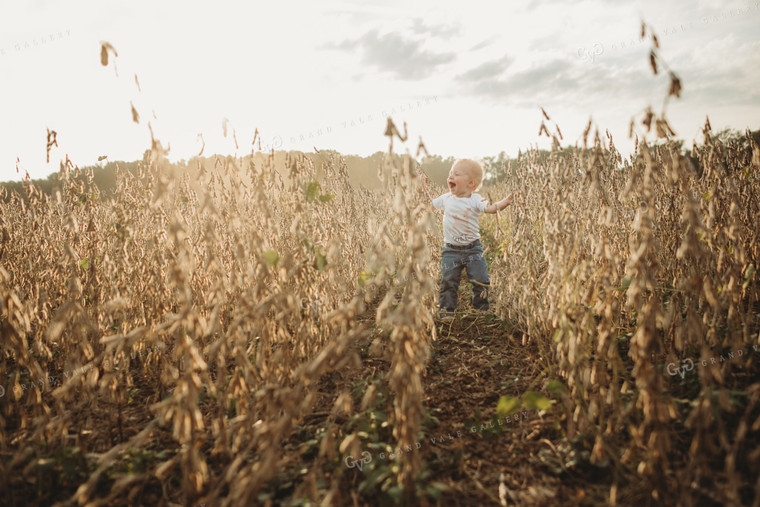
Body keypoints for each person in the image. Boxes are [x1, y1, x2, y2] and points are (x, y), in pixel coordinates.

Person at [420, 159, 517, 321]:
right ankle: (447, 311)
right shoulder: (446, 198)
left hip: (473, 249)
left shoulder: (475, 199)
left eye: (456, 174)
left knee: (481, 279)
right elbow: (427, 205)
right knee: (448, 281)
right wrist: (423, 188)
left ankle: (480, 309)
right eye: (450, 173)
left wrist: (505, 202)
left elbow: (490, 208)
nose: (451, 176)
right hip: (451, 250)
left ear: (471, 183)